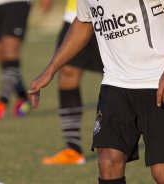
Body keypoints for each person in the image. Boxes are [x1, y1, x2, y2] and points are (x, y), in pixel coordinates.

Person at [29, 0, 164, 183]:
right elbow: (84, 22)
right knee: (108, 162)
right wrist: (50, 70)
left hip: (159, 81)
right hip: (115, 83)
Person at [39, 0, 103, 165]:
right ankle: (73, 148)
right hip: (76, 12)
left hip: (114, 13)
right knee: (67, 71)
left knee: (124, 73)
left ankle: (160, 138)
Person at [0, 0, 52, 121]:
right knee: (2, 57)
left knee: (11, 52)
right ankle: (23, 97)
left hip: (16, 2)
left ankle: (2, 101)